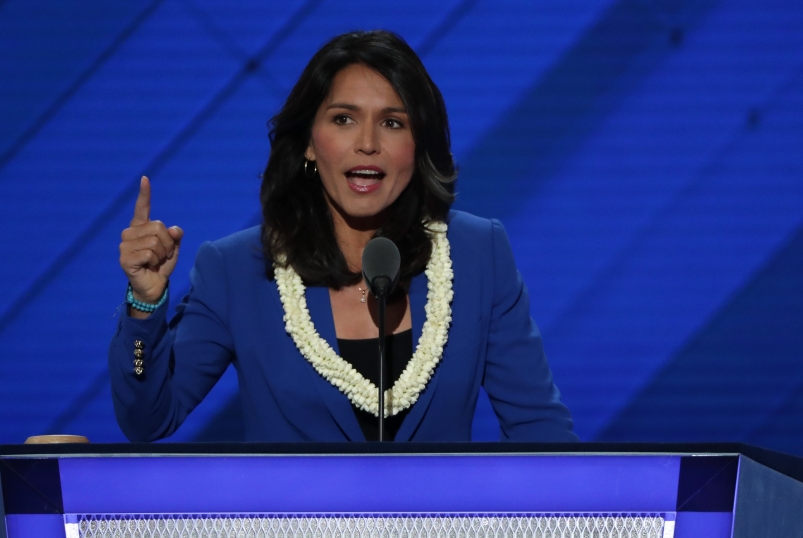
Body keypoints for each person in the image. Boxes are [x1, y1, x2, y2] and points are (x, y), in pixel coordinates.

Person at [109, 30, 576, 443]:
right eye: (343, 119)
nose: (367, 142)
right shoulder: (237, 271)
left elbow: (541, 431)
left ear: (418, 147)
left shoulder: (477, 254)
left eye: (393, 123)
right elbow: (148, 420)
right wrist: (144, 305)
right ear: (310, 142)